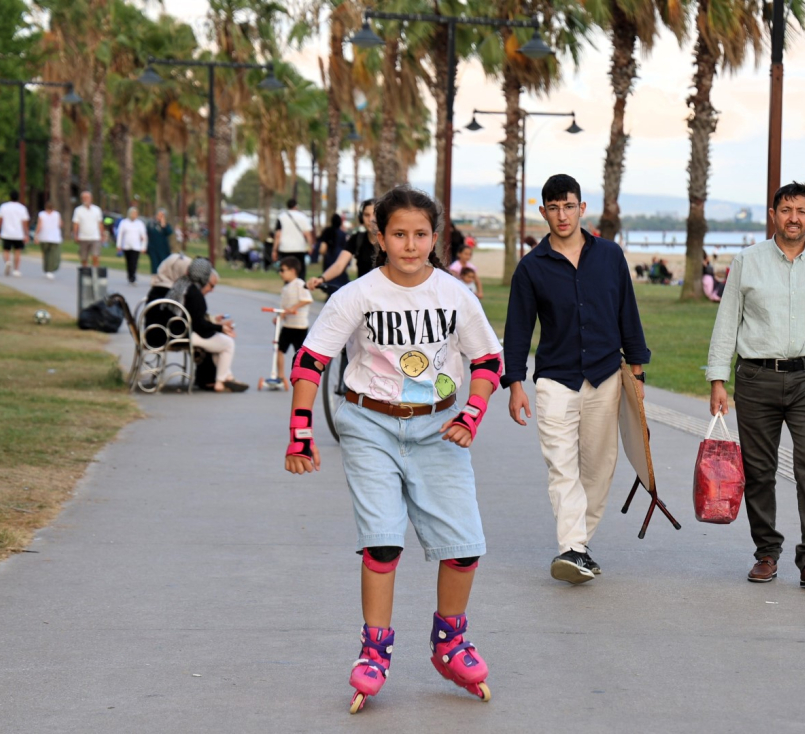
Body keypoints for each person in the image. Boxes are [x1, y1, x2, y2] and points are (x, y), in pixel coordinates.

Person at [283, 186, 502, 713]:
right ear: (380, 237)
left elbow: (488, 362)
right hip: (369, 427)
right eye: (398, 234)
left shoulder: (455, 295)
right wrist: (300, 430)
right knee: (383, 541)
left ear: (435, 237)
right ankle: (374, 649)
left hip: (440, 428)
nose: (410, 245)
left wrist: (472, 414)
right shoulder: (356, 295)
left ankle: (450, 640)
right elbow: (310, 361)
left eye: (420, 235)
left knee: (465, 544)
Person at [707, 181, 805, 587]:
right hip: (756, 379)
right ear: (773, 214)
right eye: (785, 209)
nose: (793, 218)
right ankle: (766, 553)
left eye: (801, 210)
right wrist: (717, 379)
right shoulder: (747, 261)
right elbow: (727, 321)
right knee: (759, 471)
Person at [503, 174, 649, 585]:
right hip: (555, 379)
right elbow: (518, 330)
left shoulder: (610, 256)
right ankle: (572, 548)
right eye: (553, 207)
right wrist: (515, 384)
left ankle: (579, 546)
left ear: (582, 208)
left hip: (606, 376)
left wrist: (636, 372)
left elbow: (628, 315)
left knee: (599, 467)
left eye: (569, 206)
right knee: (561, 465)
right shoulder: (531, 267)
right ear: (543, 212)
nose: (562, 215)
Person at [168, 257, 247, 393]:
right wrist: (220, 328)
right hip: (185, 334)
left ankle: (227, 377)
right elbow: (200, 326)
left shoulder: (181, 284)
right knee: (228, 343)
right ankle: (220, 381)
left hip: (173, 330)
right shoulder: (195, 293)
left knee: (220, 343)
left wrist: (216, 327)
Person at [267, 256, 312, 390]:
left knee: (300, 353)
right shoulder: (285, 288)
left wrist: (294, 308)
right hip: (288, 326)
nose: (280, 273)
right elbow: (284, 306)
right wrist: (281, 316)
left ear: (292, 271)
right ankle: (280, 376)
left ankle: (301, 376)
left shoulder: (299, 284)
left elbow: (307, 299)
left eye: (283, 270)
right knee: (279, 349)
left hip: (299, 326)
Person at [274, 198, 314, 280]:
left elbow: (278, 235)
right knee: (300, 270)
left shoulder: (281, 217)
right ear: (296, 206)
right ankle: (300, 287)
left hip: (285, 248)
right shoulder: (302, 217)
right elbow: (308, 234)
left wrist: (275, 250)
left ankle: (288, 287)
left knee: (286, 270)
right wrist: (310, 246)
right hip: (299, 248)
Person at [0, 190, 29, 277]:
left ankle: (7, 262)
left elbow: (0, 220)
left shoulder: (4, 207)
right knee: (17, 251)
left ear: (10, 197)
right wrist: (26, 234)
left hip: (6, 233)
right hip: (18, 233)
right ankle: (16, 270)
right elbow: (24, 222)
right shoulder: (22, 208)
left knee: (6, 250)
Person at [72, 191, 105, 269]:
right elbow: (76, 224)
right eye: (84, 198)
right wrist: (75, 235)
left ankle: (95, 273)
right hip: (83, 237)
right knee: (84, 258)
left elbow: (100, 223)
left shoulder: (97, 210)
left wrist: (102, 234)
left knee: (95, 256)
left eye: (87, 198)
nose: (86, 199)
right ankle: (85, 273)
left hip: (95, 237)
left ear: (91, 199)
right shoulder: (78, 210)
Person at [116, 207, 148, 285]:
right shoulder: (124, 222)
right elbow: (120, 234)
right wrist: (119, 245)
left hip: (136, 246)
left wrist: (143, 247)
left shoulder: (140, 224)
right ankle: (129, 276)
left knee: (134, 262)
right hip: (126, 246)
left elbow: (144, 236)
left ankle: (133, 277)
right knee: (129, 262)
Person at [349, 198, 379, 278]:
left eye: (375, 215)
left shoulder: (390, 240)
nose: (371, 219)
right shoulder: (357, 239)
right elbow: (339, 264)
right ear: (361, 218)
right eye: (366, 215)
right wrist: (322, 278)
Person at [35, 199, 63, 280]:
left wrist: (36, 235)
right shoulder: (57, 214)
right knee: (53, 255)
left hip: (44, 237)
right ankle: (50, 270)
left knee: (46, 254)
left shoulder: (42, 214)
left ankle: (46, 269)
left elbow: (39, 226)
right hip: (54, 237)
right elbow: (60, 224)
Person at [317, 213, 348, 280]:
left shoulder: (327, 231)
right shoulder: (343, 234)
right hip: (341, 257)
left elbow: (322, 248)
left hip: (329, 257)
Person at [147, 209, 173, 274]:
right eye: (159, 215)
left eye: (162, 216)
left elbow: (169, 232)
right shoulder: (151, 224)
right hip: (153, 248)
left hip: (163, 249)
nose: (160, 217)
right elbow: (147, 235)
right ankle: (155, 278)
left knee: (163, 264)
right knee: (154, 264)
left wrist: (163, 225)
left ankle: (162, 278)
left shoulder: (166, 225)